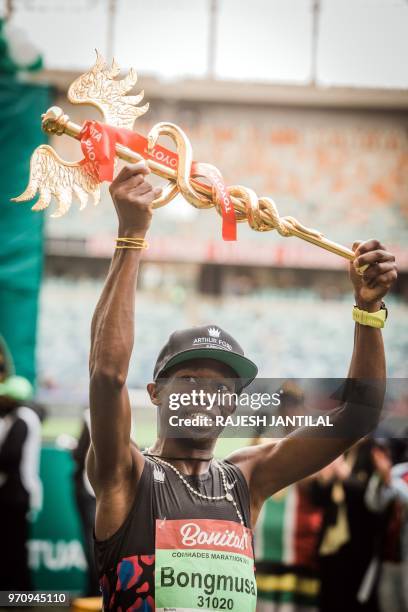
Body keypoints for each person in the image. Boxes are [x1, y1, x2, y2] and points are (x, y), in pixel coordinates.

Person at [87, 162, 397, 610]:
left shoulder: (245, 481)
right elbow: (107, 375)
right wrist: (131, 237)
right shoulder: (127, 476)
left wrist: (368, 313)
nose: (205, 397)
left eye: (222, 389)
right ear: (156, 394)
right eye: (190, 379)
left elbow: (359, 415)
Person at [0, 337, 42, 590]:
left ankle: (20, 598)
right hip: (16, 492)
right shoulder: (19, 417)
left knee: (15, 548)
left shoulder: (23, 418)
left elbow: (9, 455)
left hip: (17, 493)